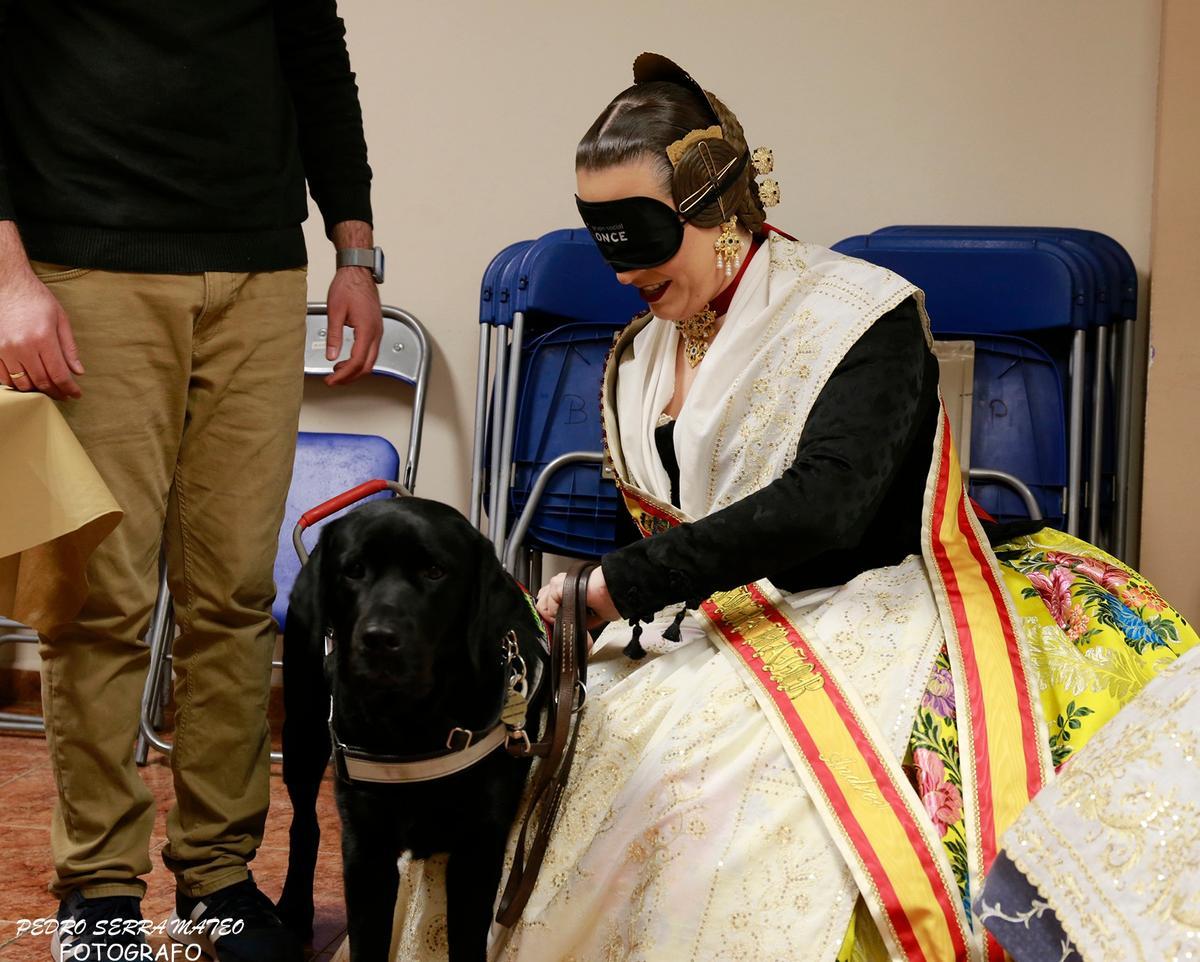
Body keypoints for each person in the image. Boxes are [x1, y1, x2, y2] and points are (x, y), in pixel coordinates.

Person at [351, 53, 1196, 962]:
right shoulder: (639, 353)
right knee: (535, 766)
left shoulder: (858, 318)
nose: (621, 271)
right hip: (693, 624)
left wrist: (618, 585)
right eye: (602, 238)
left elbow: (825, 507)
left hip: (866, 605)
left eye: (638, 234)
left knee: (695, 798)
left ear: (717, 207)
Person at [0, 2, 385, 959]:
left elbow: (313, 55)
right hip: (86, 260)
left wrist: (355, 252)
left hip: (256, 271)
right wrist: (8, 277)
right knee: (102, 598)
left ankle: (217, 877)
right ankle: (98, 891)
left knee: (235, 597)